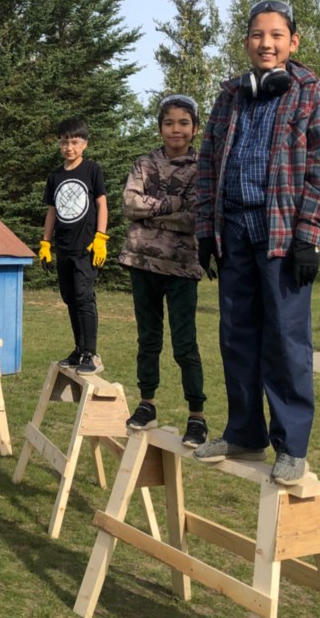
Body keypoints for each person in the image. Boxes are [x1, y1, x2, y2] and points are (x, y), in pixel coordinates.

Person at [192, 0, 320, 486]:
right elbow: (208, 161)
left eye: (276, 35)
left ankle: (291, 445)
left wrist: (310, 235)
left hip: (283, 235)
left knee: (286, 342)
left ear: (293, 41)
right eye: (257, 34)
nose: (266, 43)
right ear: (247, 41)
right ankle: (245, 432)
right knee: (236, 337)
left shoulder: (312, 93)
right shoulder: (230, 94)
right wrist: (205, 231)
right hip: (234, 230)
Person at [118, 94, 208, 448]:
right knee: (148, 339)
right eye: (169, 122)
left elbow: (195, 217)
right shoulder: (144, 164)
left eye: (183, 123)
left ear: (194, 128)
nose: (176, 129)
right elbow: (129, 204)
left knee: (185, 344)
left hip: (183, 267)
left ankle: (197, 416)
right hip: (142, 262)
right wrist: (173, 204)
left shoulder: (203, 169)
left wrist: (152, 212)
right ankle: (147, 403)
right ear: (159, 127)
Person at [39, 118, 109, 375]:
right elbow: (52, 211)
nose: (69, 147)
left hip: (86, 248)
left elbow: (102, 203)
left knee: (84, 297)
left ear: (85, 145)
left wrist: (101, 238)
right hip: (64, 248)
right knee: (69, 298)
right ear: (60, 144)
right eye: (65, 142)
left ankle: (92, 352)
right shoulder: (55, 175)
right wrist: (46, 242)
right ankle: (79, 349)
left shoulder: (92, 170)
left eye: (75, 142)